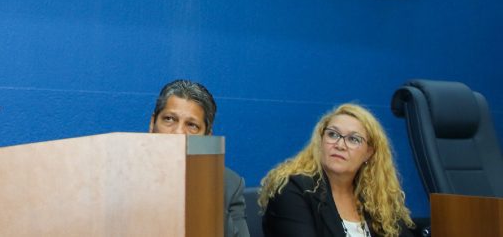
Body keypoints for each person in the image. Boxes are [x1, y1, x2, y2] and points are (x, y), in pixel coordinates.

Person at [259, 103, 416, 237]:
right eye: (333, 135)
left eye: (353, 139)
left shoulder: (376, 197)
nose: (340, 145)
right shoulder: (292, 189)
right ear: (320, 141)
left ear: (369, 152)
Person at [149, 80, 250, 237]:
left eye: (192, 125)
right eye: (169, 119)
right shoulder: (120, 173)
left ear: (207, 137)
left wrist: (205, 188)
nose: (178, 132)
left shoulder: (229, 184)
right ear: (152, 123)